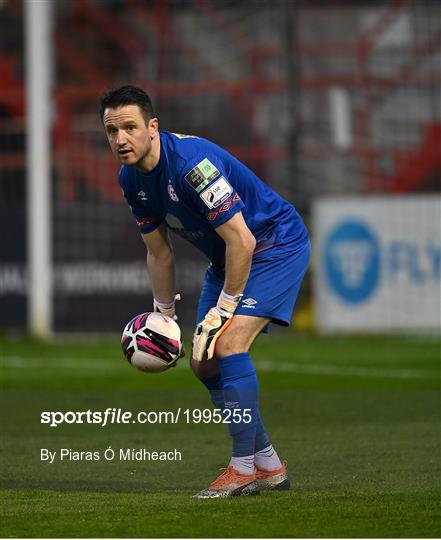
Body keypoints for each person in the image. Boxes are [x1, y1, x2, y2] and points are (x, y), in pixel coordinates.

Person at [100, 85, 310, 498]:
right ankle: (268, 463)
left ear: (152, 127)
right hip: (227, 259)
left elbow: (243, 241)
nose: (120, 139)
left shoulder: (193, 167)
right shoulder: (130, 178)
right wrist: (163, 316)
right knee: (203, 363)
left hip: (273, 245)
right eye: (111, 131)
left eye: (129, 127)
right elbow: (159, 253)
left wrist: (225, 307)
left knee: (229, 345)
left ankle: (242, 469)